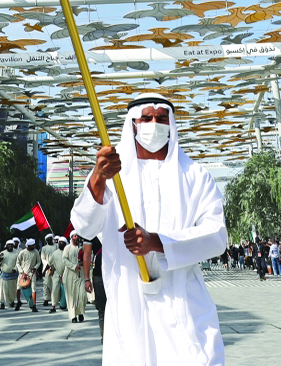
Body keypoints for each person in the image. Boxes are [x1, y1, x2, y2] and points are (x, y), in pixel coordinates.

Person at [70, 94, 228, 366]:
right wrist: (97, 179)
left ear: (171, 123)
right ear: (133, 124)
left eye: (161, 118)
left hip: (183, 304)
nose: (154, 124)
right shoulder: (111, 174)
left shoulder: (195, 175)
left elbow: (217, 236)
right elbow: (83, 226)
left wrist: (158, 243)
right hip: (129, 304)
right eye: (146, 118)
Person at [63, 232, 87, 323]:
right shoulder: (67, 248)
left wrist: (83, 263)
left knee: (82, 295)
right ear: (71, 237)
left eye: (77, 236)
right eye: (74, 236)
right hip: (70, 275)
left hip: (80, 275)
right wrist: (73, 266)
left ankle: (80, 312)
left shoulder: (82, 248)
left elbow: (89, 256)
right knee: (71, 297)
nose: (76, 237)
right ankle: (73, 316)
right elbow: (64, 259)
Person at [16, 239, 40, 312]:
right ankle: (18, 302)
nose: (34, 246)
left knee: (33, 288)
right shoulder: (22, 252)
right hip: (22, 274)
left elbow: (38, 262)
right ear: (28, 246)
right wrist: (21, 272)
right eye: (32, 245)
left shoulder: (36, 252)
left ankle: (34, 305)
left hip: (32, 273)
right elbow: (17, 263)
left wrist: (35, 268)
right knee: (18, 288)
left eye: (34, 245)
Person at [0, 239, 20, 310]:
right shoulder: (3, 253)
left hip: (13, 274)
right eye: (8, 245)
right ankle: (2, 303)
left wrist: (15, 269)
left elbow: (19, 263)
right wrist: (0, 259)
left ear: (13, 245)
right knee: (3, 290)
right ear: (6, 246)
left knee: (12, 290)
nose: (10, 246)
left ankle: (11, 301)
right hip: (4, 274)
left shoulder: (17, 253)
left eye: (11, 245)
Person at [47, 237, 67, 312]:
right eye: (60, 242)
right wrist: (44, 272)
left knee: (67, 291)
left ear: (65, 244)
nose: (61, 243)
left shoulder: (67, 252)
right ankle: (53, 306)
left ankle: (66, 305)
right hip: (56, 274)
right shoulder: (54, 253)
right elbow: (49, 264)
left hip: (67, 274)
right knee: (55, 290)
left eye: (62, 242)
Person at [40, 234, 58, 306]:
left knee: (55, 285)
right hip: (46, 268)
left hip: (55, 268)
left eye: (51, 238)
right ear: (46, 240)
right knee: (46, 284)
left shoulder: (56, 246)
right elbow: (42, 258)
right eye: (48, 238)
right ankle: (46, 299)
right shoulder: (44, 248)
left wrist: (53, 265)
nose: (50, 239)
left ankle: (55, 299)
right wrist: (48, 264)